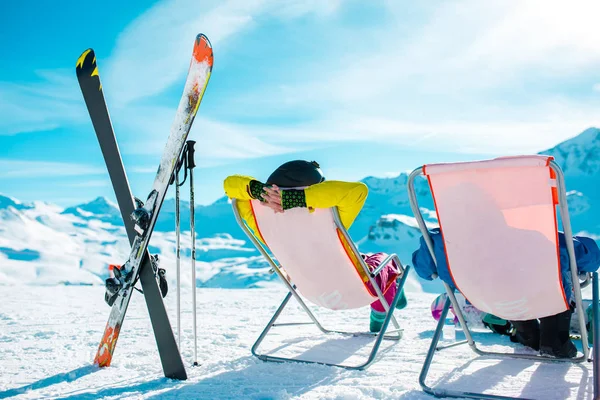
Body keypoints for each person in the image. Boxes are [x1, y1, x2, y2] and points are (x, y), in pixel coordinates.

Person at [223, 160, 407, 333]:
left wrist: (259, 191)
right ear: (317, 188)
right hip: (359, 291)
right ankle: (380, 312)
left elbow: (231, 185)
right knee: (386, 261)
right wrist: (296, 199)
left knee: (363, 258)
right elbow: (357, 190)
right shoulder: (329, 216)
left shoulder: (260, 220)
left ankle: (389, 296)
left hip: (313, 292)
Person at [413, 227, 600, 358]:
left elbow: (423, 269)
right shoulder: (539, 236)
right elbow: (591, 259)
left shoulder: (440, 239)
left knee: (504, 284)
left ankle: (527, 334)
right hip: (543, 294)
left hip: (486, 298)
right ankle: (554, 338)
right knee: (560, 265)